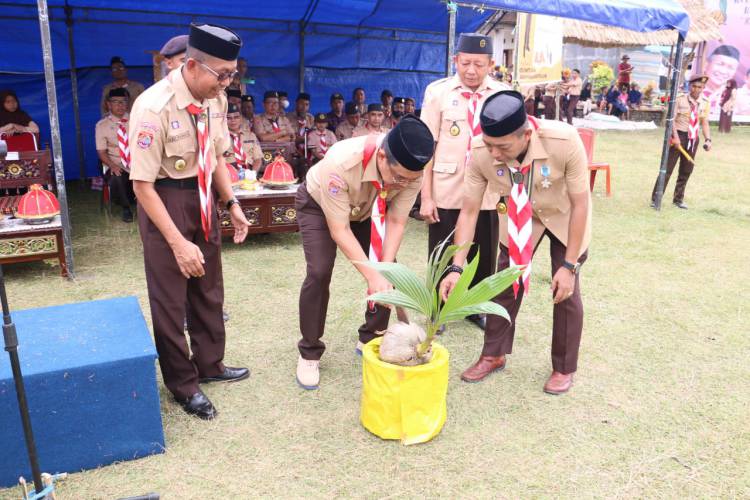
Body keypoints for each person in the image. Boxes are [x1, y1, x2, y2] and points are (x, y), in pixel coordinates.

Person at [128, 23, 251, 420]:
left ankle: (211, 364)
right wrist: (178, 243)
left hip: (203, 196)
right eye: (223, 74)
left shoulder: (215, 98)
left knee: (208, 287)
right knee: (170, 299)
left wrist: (230, 201)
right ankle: (183, 384)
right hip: (165, 199)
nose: (229, 83)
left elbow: (213, 156)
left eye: (233, 74)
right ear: (194, 65)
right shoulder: (152, 107)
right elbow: (142, 186)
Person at [440, 90, 591, 394]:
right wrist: (456, 267)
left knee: (566, 291)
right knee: (504, 283)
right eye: (490, 144)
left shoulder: (563, 141)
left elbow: (580, 204)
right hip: (522, 219)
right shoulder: (481, 151)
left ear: (526, 134)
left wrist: (569, 265)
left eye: (503, 146)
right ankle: (493, 354)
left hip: (564, 215)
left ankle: (563, 367)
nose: (494, 153)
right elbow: (468, 212)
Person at [294, 115, 434, 390]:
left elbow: (396, 221)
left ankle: (371, 336)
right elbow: (340, 229)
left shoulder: (413, 172)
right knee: (319, 271)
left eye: (410, 180)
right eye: (398, 178)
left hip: (370, 211)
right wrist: (371, 275)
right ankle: (309, 352)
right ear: (382, 157)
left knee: (388, 271)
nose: (403, 185)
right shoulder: (341, 162)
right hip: (319, 207)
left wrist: (383, 269)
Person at [419, 32, 508, 331]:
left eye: (479, 64)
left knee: (484, 249)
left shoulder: (502, 94)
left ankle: (475, 307)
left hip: (487, 188)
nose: (471, 70)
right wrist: (426, 197)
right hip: (447, 185)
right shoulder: (437, 92)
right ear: (455, 59)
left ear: (490, 64)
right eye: (466, 63)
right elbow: (426, 146)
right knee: (442, 248)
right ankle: (437, 308)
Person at [650, 75, 711, 210]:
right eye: (694, 86)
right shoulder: (680, 99)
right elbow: (671, 120)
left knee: (686, 170)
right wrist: (675, 137)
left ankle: (678, 199)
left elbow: (705, 123)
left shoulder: (705, 102)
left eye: (699, 87)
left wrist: (708, 140)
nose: (696, 89)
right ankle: (656, 198)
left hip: (693, 138)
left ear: (703, 88)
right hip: (678, 135)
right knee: (667, 169)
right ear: (690, 86)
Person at [95, 88, 136, 222]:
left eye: (123, 102)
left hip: (137, 162)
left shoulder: (137, 120)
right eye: (116, 102)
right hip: (116, 163)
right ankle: (126, 208)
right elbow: (101, 152)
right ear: (108, 104)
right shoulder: (102, 125)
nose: (120, 105)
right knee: (116, 176)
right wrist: (112, 165)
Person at [702, 45, 740, 115]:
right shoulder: (691, 90)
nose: (723, 71)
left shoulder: (736, 96)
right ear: (706, 64)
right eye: (720, 64)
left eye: (731, 68)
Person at [226, 103, 262, 172]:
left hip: (249, 170)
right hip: (229, 172)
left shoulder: (251, 136)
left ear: (241, 118)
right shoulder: (220, 137)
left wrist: (253, 174)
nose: (233, 120)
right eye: (229, 118)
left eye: (236, 117)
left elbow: (258, 159)